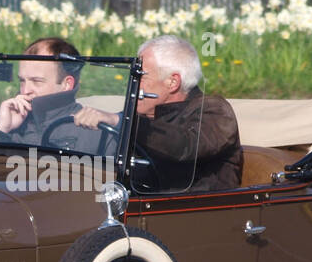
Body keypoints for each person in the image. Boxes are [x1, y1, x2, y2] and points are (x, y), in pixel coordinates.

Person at [74, 34, 242, 191]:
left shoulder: (215, 110)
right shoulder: (141, 115)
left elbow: (185, 145)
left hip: (194, 211)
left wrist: (120, 122)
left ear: (172, 82)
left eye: (141, 78)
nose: (133, 85)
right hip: (137, 206)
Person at [0, 38, 111, 154]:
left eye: (37, 81)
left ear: (66, 84)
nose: (26, 90)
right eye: (22, 80)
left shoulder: (96, 131)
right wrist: (1, 129)